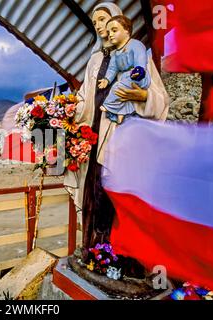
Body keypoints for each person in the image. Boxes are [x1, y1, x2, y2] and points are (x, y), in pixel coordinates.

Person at [64, 2, 169, 257]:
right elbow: (84, 99)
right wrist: (62, 111)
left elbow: (161, 99)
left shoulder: (136, 53)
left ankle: (118, 259)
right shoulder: (95, 61)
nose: (99, 26)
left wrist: (143, 96)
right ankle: (92, 254)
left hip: (121, 139)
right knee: (93, 199)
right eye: (95, 22)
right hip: (93, 140)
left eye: (103, 19)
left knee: (115, 198)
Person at [98, 15, 151, 124]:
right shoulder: (115, 53)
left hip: (138, 76)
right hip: (127, 78)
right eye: (109, 33)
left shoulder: (136, 45)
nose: (110, 35)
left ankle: (108, 106)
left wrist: (139, 71)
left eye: (114, 30)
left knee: (117, 87)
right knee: (122, 91)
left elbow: (140, 59)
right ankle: (122, 115)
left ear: (126, 30)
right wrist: (106, 80)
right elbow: (112, 69)